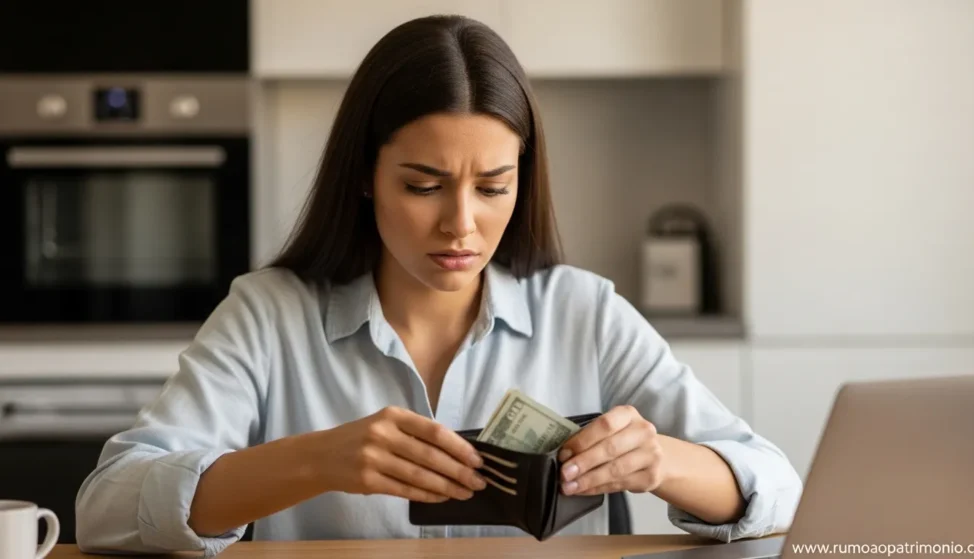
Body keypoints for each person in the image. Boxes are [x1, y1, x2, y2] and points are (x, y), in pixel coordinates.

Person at [75, 14, 802, 557]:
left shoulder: (584, 312)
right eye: (424, 184)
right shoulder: (269, 314)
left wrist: (661, 460)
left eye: (493, 186)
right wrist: (314, 460)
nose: (462, 224)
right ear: (364, 175)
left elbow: (779, 485)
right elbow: (105, 507)